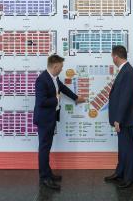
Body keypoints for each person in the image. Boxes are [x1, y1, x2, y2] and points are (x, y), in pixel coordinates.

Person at [33, 54, 86, 190]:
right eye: (61, 67)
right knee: (44, 149)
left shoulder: (54, 78)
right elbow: (41, 102)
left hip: (50, 118)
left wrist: (76, 98)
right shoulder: (42, 80)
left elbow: (63, 88)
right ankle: (44, 178)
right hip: (44, 119)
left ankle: (48, 173)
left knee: (47, 147)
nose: (62, 69)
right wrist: (56, 100)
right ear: (55, 66)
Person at [104, 45, 133, 189]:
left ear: (116, 56)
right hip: (123, 117)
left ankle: (130, 178)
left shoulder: (127, 72)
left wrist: (118, 119)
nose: (112, 59)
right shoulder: (125, 71)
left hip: (125, 118)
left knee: (128, 147)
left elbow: (125, 98)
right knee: (122, 146)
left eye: (112, 57)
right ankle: (120, 173)